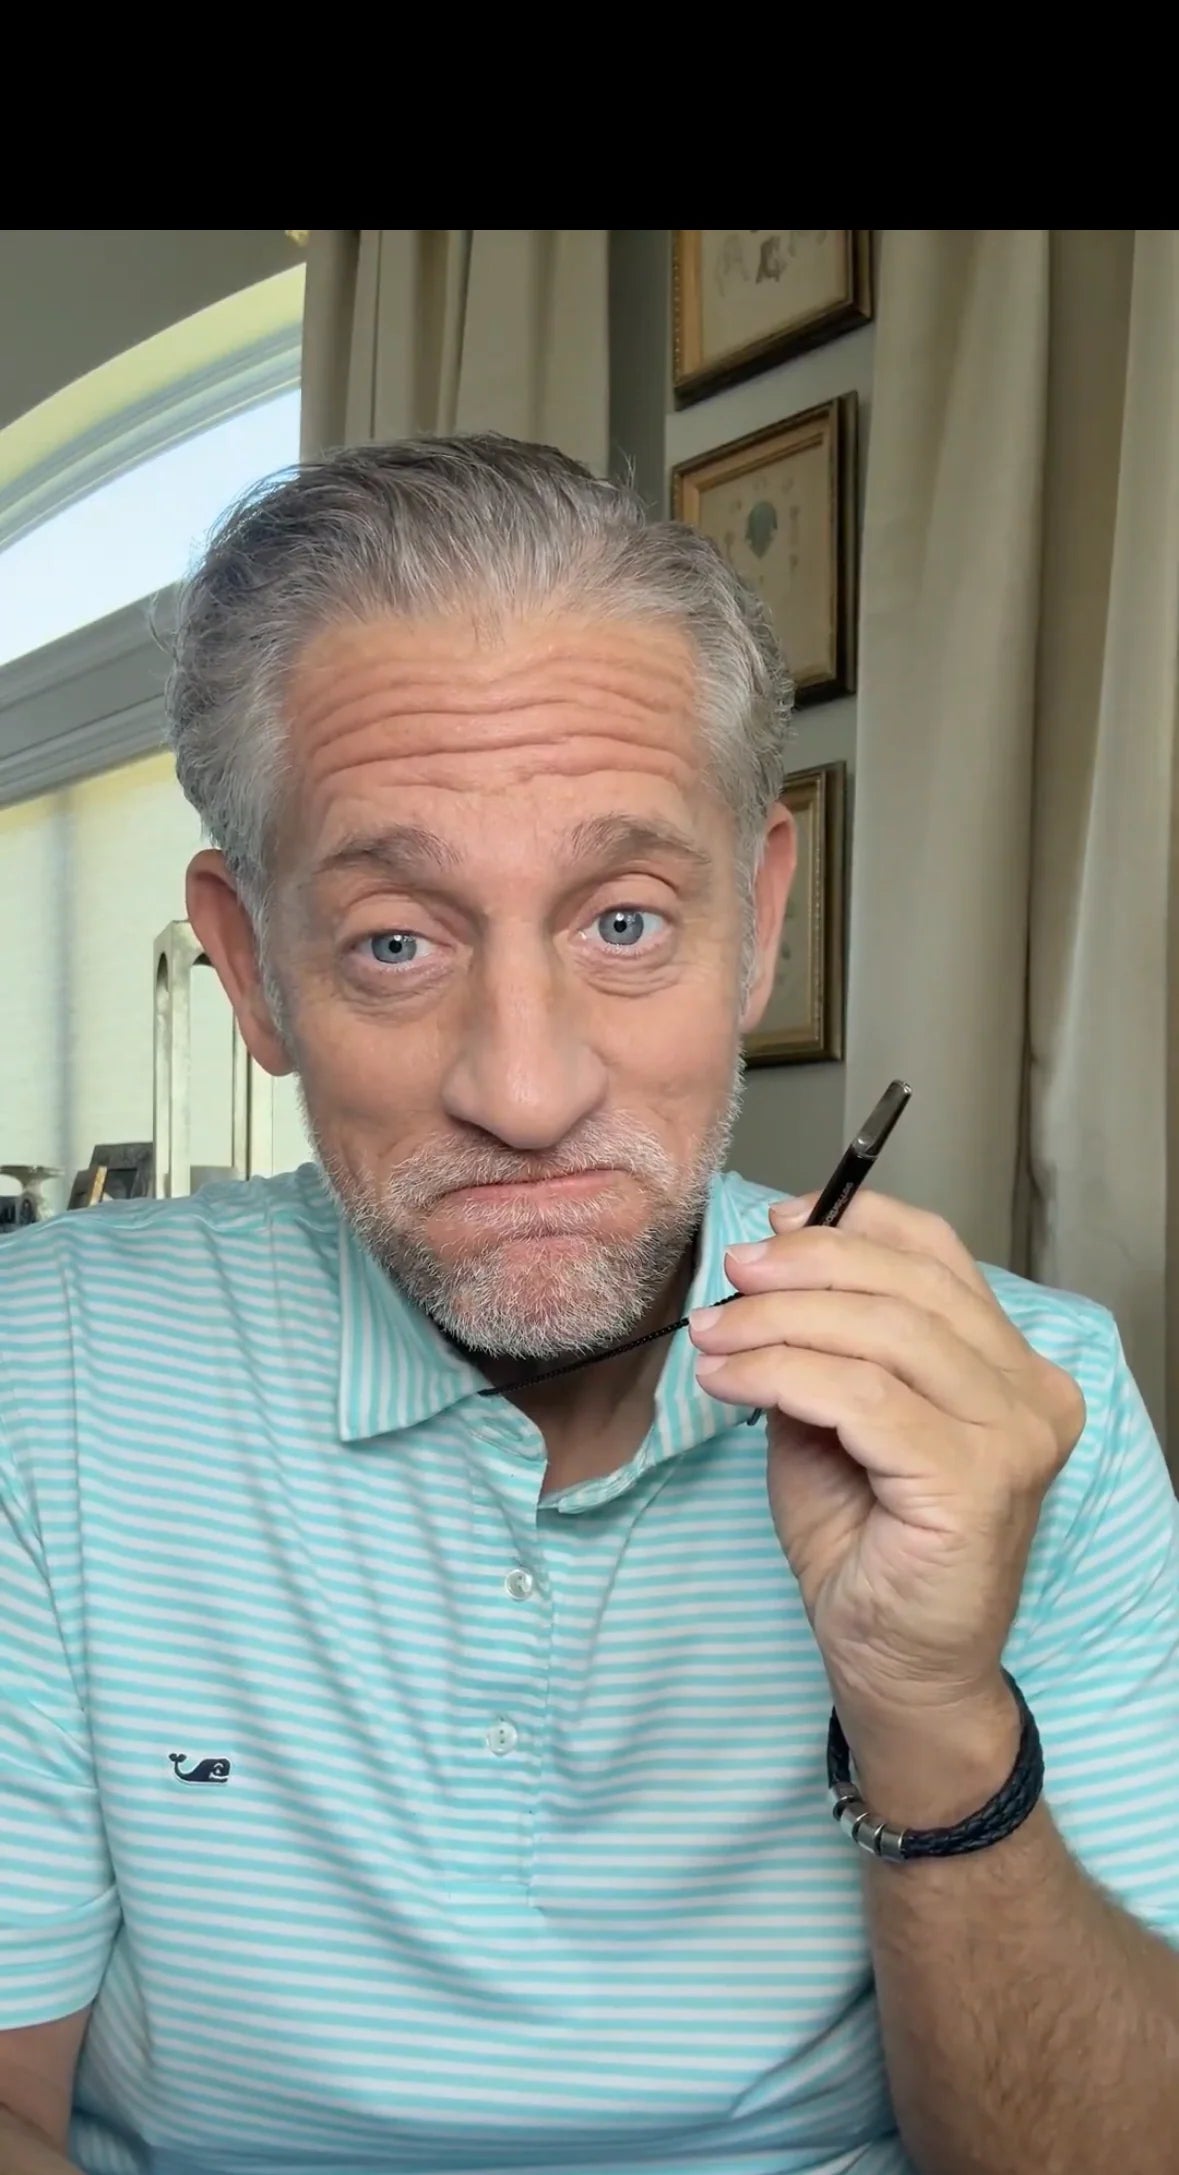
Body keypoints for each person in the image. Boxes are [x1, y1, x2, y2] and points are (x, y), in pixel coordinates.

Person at [1, 435, 1176, 2175]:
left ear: (757, 922)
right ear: (250, 967)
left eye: (624, 922)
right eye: (397, 942)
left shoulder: (1035, 1401)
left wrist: (928, 1712)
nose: (530, 1091)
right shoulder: (38, 1372)